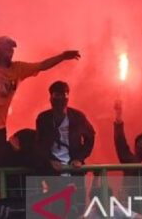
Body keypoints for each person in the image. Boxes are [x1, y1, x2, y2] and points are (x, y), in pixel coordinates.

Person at [0, 15, 79, 185]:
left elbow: (42, 65)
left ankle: (1, 205)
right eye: (6, 49)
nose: (10, 53)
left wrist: (62, 57)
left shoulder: (19, 69)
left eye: (11, 50)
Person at [35, 81, 95, 217]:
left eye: (64, 95)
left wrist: (79, 159)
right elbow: (38, 145)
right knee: (57, 209)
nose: (61, 99)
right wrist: (50, 161)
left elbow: (90, 137)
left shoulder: (77, 117)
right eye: (56, 95)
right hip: (52, 172)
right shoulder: (43, 118)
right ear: (50, 98)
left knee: (78, 209)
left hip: (74, 171)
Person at [112, 100, 142, 199]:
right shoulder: (129, 160)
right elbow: (120, 143)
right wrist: (118, 118)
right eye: (140, 143)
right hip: (130, 201)